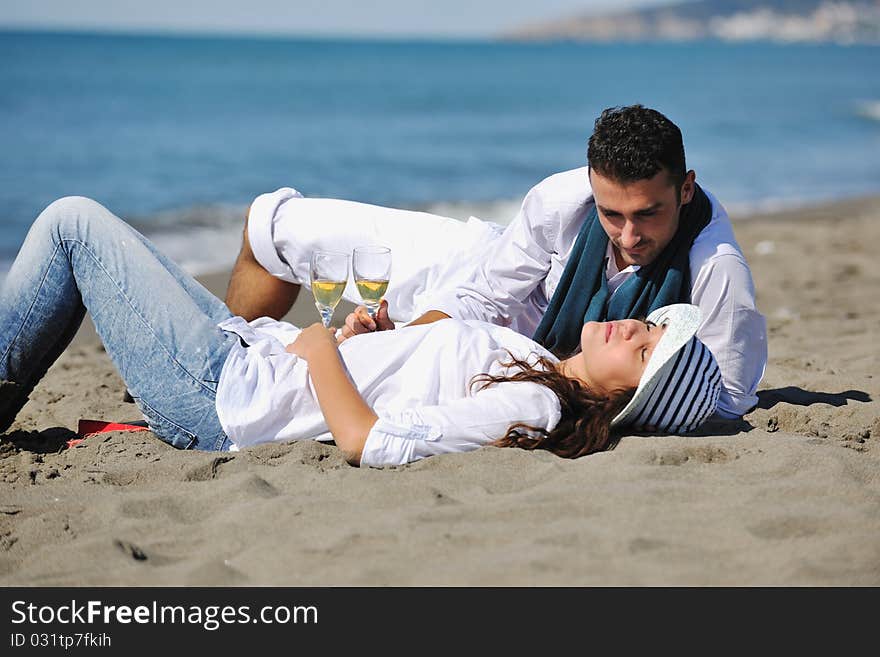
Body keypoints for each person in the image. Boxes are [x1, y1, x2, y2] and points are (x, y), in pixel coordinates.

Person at [0, 198, 721, 467]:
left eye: (645, 350)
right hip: (249, 357)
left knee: (73, 224)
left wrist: (318, 350)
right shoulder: (533, 363)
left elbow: (371, 441)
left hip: (225, 396)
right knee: (84, 234)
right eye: (651, 328)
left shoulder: (533, 406)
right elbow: (405, 390)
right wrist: (366, 341)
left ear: (630, 397)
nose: (633, 325)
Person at [224, 105, 766, 420]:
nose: (628, 234)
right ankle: (228, 364)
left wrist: (605, 403)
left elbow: (729, 398)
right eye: (611, 214)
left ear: (686, 188)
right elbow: (482, 294)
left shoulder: (716, 266)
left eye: (648, 214)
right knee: (272, 228)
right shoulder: (560, 200)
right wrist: (405, 338)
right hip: (476, 279)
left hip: (515, 370)